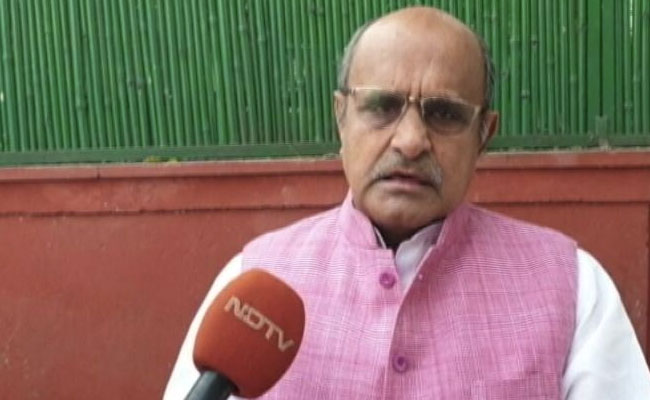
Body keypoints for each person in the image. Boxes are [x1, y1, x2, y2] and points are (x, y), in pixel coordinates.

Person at [165, 6, 650, 399]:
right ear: (341, 118)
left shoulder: (572, 286)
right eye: (382, 106)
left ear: (484, 135)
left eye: (445, 114)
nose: (412, 140)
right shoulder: (253, 285)